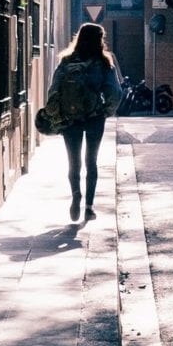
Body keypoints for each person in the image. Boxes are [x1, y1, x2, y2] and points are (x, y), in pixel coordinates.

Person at [46, 23, 124, 221]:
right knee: (91, 162)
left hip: (70, 119)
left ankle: (75, 195)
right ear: (100, 39)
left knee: (74, 163)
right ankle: (89, 207)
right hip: (94, 118)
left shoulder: (66, 61)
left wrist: (56, 113)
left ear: (79, 37)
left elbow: (53, 90)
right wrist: (105, 112)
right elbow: (115, 92)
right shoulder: (104, 63)